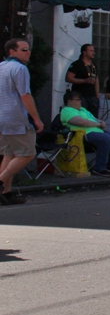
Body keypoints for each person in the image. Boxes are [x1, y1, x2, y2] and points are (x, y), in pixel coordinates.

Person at [0, 38, 43, 205]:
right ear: (12, 51)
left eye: (28, 49)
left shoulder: (1, 67)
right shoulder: (20, 69)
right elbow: (25, 95)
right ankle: (1, 181)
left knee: (9, 154)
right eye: (24, 50)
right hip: (15, 117)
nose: (28, 52)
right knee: (27, 154)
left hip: (2, 118)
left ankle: (6, 193)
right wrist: (36, 119)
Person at [60, 90, 110, 177]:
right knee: (106, 139)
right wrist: (97, 124)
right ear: (69, 101)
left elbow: (94, 119)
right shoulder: (67, 110)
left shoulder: (83, 110)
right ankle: (100, 168)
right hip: (83, 134)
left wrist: (101, 122)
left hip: (97, 131)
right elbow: (80, 122)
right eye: (77, 100)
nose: (80, 101)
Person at [66, 44, 101, 117]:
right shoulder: (77, 64)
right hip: (80, 97)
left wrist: (97, 96)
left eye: (93, 51)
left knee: (93, 118)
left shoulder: (94, 65)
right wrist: (84, 81)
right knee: (81, 117)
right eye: (91, 51)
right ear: (84, 52)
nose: (93, 53)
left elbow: (96, 81)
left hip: (92, 97)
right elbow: (68, 78)